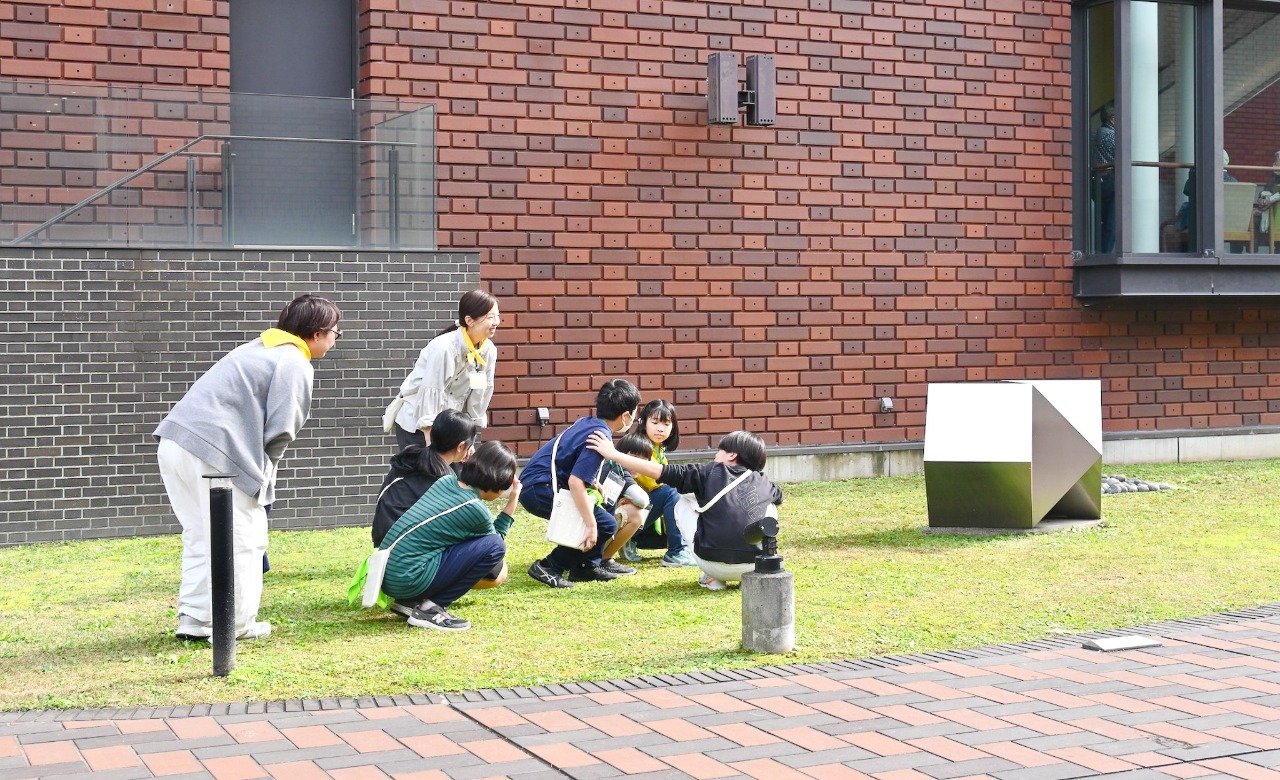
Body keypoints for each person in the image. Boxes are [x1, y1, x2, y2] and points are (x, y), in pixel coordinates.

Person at [155, 294, 342, 641]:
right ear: (317, 333)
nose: (335, 340)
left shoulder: (257, 347)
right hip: (219, 453)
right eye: (335, 333)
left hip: (176, 442)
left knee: (201, 535)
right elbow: (282, 428)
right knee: (245, 539)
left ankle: (196, 620)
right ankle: (236, 624)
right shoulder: (295, 360)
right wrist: (264, 478)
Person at [588, 429, 783, 592]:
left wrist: (613, 455)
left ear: (732, 455)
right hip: (755, 566)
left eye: (719, 451)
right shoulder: (765, 481)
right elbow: (778, 496)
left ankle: (709, 575)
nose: (715, 456)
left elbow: (659, 472)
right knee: (771, 506)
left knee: (680, 498)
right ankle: (741, 576)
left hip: (712, 563)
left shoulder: (707, 472)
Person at [379, 441, 520, 631]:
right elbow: (494, 547)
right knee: (496, 547)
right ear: (499, 481)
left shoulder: (446, 481)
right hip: (408, 578)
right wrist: (513, 502)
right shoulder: (475, 509)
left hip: (389, 575)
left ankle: (410, 602)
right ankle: (430, 609)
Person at [520, 379, 643, 588]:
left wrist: (592, 480)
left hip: (536, 484)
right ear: (625, 416)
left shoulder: (589, 422)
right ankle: (549, 566)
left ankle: (585, 568)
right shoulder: (600, 435)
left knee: (603, 510)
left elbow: (570, 458)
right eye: (634, 413)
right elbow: (576, 482)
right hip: (539, 489)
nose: (634, 418)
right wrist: (590, 524)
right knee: (604, 524)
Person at [387, 289, 499, 450]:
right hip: (419, 425)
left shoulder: (488, 350)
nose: (497, 322)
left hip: (450, 426)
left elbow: (481, 392)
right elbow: (432, 390)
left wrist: (469, 438)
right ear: (470, 320)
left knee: (455, 474)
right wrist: (429, 437)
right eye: (490, 317)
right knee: (426, 474)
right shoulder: (444, 348)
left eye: (497, 316)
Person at [371, 409, 478, 547]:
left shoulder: (410, 459)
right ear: (461, 446)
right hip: (407, 550)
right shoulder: (442, 479)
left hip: (385, 542)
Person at [620, 400, 697, 568]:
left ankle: (631, 539)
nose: (660, 428)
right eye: (654, 422)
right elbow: (655, 483)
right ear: (643, 422)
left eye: (666, 423)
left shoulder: (658, 448)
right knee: (670, 492)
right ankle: (676, 552)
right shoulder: (639, 447)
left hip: (641, 514)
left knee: (676, 494)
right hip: (624, 513)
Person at [1092, 102, 1116, 253]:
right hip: (1109, 181)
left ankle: (1101, 253)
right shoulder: (1111, 135)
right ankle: (1105, 255)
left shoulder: (1097, 133)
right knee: (1111, 223)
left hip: (1099, 181)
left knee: (1103, 222)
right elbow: (1125, 154)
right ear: (1112, 119)